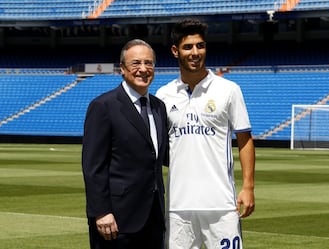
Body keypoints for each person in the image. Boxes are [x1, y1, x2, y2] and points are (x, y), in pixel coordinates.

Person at [155, 18, 255, 249]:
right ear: (175, 51)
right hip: (177, 207)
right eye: (188, 47)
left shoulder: (229, 90)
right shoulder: (164, 94)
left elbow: (245, 140)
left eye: (200, 46)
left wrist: (248, 187)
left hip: (221, 205)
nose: (195, 52)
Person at [82, 39, 169, 249]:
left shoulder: (159, 107)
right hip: (116, 219)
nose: (143, 69)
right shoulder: (103, 106)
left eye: (149, 63)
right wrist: (101, 211)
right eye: (136, 63)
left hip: (153, 217)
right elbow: (93, 166)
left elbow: (159, 157)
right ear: (122, 68)